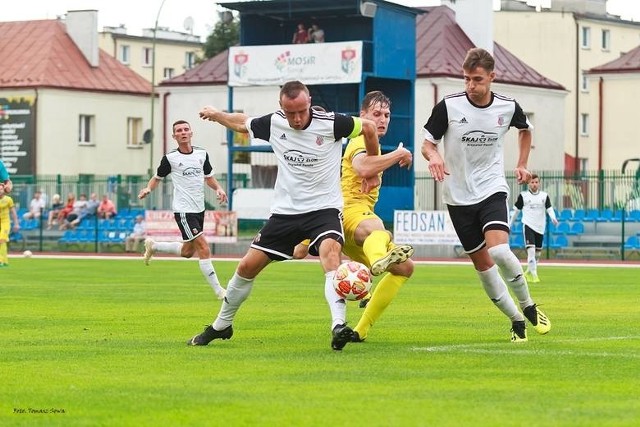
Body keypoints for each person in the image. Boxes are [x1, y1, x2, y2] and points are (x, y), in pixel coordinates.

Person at [192, 80, 380, 350]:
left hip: (323, 210)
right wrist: (217, 114)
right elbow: (243, 122)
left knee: (330, 254)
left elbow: (370, 128)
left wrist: (372, 169)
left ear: (309, 102)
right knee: (246, 267)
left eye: (302, 111)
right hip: (286, 213)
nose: (297, 118)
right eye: (290, 113)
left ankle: (338, 326)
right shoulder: (274, 123)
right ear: (281, 107)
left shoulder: (332, 123)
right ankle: (222, 325)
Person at [420, 47, 551, 343]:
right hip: (457, 196)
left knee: (499, 251)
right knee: (483, 266)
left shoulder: (507, 106)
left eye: (477, 79)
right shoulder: (449, 106)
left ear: (492, 77)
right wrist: (434, 157)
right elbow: (427, 143)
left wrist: (521, 163)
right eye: (466, 79)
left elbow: (526, 129)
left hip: (491, 188)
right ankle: (516, 320)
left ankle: (529, 305)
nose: (471, 86)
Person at [293, 91, 414, 343]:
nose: (382, 119)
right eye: (376, 114)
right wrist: (400, 154)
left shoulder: (372, 145)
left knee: (404, 268)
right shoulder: (360, 138)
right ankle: (378, 258)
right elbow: (362, 167)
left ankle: (359, 330)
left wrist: (304, 241)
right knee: (379, 230)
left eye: (387, 115)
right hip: (350, 211)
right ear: (363, 116)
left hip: (343, 223)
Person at [138, 119, 228, 301]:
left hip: (199, 209)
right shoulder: (170, 158)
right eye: (179, 130)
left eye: (186, 129)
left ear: (191, 133)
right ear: (174, 136)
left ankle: (154, 246)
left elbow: (209, 177)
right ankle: (220, 291)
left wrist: (218, 188)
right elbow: (157, 178)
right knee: (203, 247)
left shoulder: (202, 154)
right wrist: (148, 188)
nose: (183, 132)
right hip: (183, 210)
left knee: (188, 252)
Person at [508, 173, 558, 283]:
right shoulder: (523, 196)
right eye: (532, 182)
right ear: (529, 183)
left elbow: (549, 209)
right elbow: (516, 211)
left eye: (536, 182)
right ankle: (534, 275)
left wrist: (553, 218)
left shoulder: (544, 196)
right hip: (528, 225)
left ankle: (529, 271)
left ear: (539, 183)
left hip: (540, 227)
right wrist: (510, 224)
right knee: (531, 251)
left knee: (537, 254)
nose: (534, 184)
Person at [0, 182, 20, 267]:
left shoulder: (8, 199)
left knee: (1, 240)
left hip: (5, 222)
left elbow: (13, 212)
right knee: (2, 242)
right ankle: (5, 261)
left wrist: (16, 224)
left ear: (4, 190)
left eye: (0, 189)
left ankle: (1, 261)